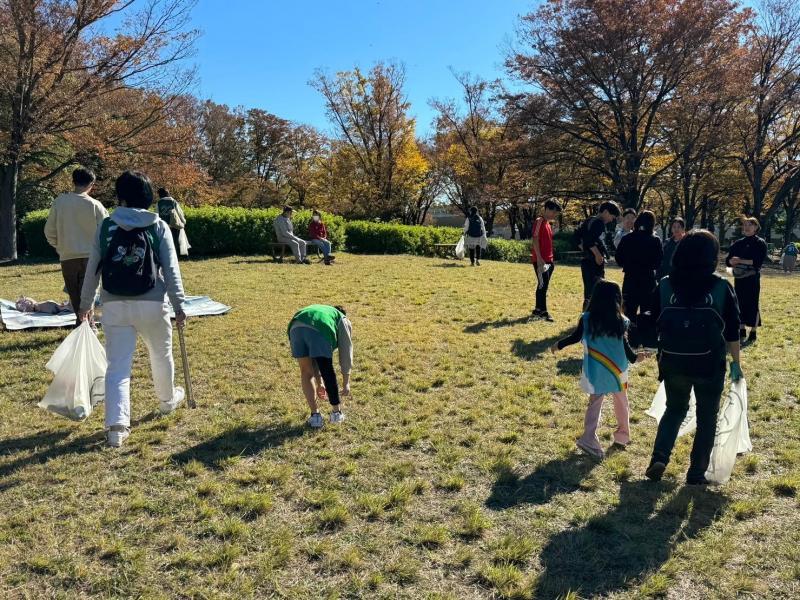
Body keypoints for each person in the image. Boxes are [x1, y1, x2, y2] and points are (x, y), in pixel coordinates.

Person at [78, 171, 187, 448]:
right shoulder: (158, 225)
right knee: (161, 354)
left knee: (117, 366)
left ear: (121, 196)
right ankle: (166, 401)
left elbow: (93, 269)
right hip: (153, 303)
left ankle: (117, 427)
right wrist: (179, 305)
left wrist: (85, 305)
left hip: (114, 304)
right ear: (148, 197)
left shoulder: (106, 226)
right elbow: (171, 270)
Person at [646, 230, 742, 485]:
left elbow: (651, 320)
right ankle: (696, 472)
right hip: (709, 363)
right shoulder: (721, 287)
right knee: (707, 417)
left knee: (674, 409)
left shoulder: (665, 285)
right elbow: (733, 331)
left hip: (672, 360)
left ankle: (659, 457)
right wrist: (736, 363)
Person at [550, 279, 647, 459]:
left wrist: (558, 345)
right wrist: (638, 358)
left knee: (594, 404)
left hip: (595, 371)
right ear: (617, 299)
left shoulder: (587, 319)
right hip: (618, 371)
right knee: (622, 403)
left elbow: (574, 337)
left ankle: (588, 438)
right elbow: (627, 349)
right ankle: (622, 437)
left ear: (595, 297)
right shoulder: (622, 322)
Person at [44, 167, 108, 326]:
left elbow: (49, 230)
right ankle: (88, 325)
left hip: (68, 256)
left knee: (75, 296)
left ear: (73, 181)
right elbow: (106, 231)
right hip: (91, 256)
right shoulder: (95, 205)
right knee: (89, 295)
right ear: (91, 184)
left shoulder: (60, 202)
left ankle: (82, 324)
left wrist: (59, 246)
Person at [288, 304, 353, 427]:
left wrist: (320, 383)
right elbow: (346, 352)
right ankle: (336, 414)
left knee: (306, 372)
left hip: (296, 326)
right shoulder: (343, 319)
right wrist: (346, 382)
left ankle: (315, 417)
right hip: (319, 329)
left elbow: (315, 358)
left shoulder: (323, 312)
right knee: (327, 370)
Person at [615, 210, 663, 347]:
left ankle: (629, 339)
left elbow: (619, 259)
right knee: (647, 311)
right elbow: (658, 262)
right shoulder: (655, 240)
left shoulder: (627, 239)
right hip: (648, 279)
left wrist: (629, 263)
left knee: (629, 310)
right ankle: (646, 339)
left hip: (630, 278)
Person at [726, 217, 768, 344]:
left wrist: (740, 260)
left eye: (750, 225)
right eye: (745, 225)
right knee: (739, 303)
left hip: (752, 279)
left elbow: (757, 262)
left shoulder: (760, 243)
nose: (747, 227)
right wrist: (731, 262)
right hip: (739, 278)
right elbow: (728, 261)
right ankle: (741, 330)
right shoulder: (738, 243)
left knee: (752, 303)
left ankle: (753, 332)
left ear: (756, 227)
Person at [578, 201, 621, 308]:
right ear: (605, 212)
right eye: (612, 216)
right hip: (593, 263)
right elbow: (589, 240)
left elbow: (577, 237)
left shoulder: (589, 220)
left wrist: (585, 250)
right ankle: (591, 314)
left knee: (589, 291)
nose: (611, 220)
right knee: (596, 291)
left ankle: (586, 314)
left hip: (586, 261)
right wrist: (597, 255)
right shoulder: (599, 223)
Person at [531, 200, 562, 321]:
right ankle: (543, 312)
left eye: (556, 213)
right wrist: (539, 258)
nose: (554, 215)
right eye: (553, 212)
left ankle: (538, 310)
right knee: (542, 285)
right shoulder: (539, 221)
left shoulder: (548, 224)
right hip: (541, 260)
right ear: (546, 209)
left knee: (543, 285)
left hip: (549, 260)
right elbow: (535, 239)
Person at [156, 188, 190, 258]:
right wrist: (183, 222)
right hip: (174, 225)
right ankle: (176, 256)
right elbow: (180, 213)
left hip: (164, 226)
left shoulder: (158, 203)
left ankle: (167, 256)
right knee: (175, 241)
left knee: (166, 242)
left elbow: (157, 215)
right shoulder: (173, 201)